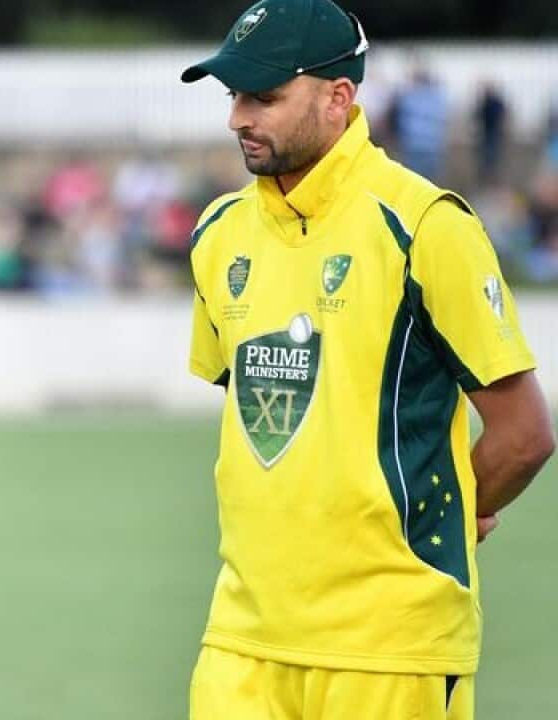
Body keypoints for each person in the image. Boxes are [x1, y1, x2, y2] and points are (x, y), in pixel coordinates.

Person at [179, 2, 555, 718]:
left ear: (338, 97)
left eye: (264, 96)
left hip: (389, 645)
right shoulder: (217, 233)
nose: (237, 118)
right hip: (242, 640)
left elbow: (524, 434)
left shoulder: (424, 224)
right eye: (233, 96)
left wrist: (436, 515)